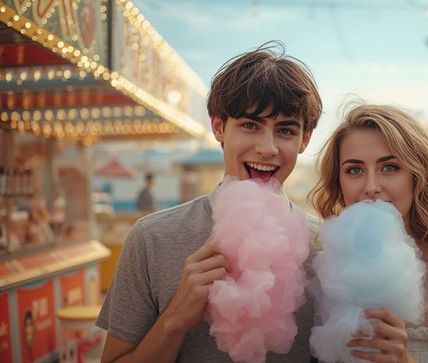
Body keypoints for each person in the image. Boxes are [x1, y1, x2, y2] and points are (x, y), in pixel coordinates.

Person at [97, 42, 322, 362]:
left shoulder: (324, 247)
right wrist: (175, 318)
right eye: (250, 126)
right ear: (218, 127)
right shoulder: (152, 238)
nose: (267, 147)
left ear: (305, 140)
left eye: (285, 130)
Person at [309, 104, 428, 363]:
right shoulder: (324, 273)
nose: (371, 186)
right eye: (355, 170)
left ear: (417, 176)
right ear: (338, 183)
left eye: (389, 167)